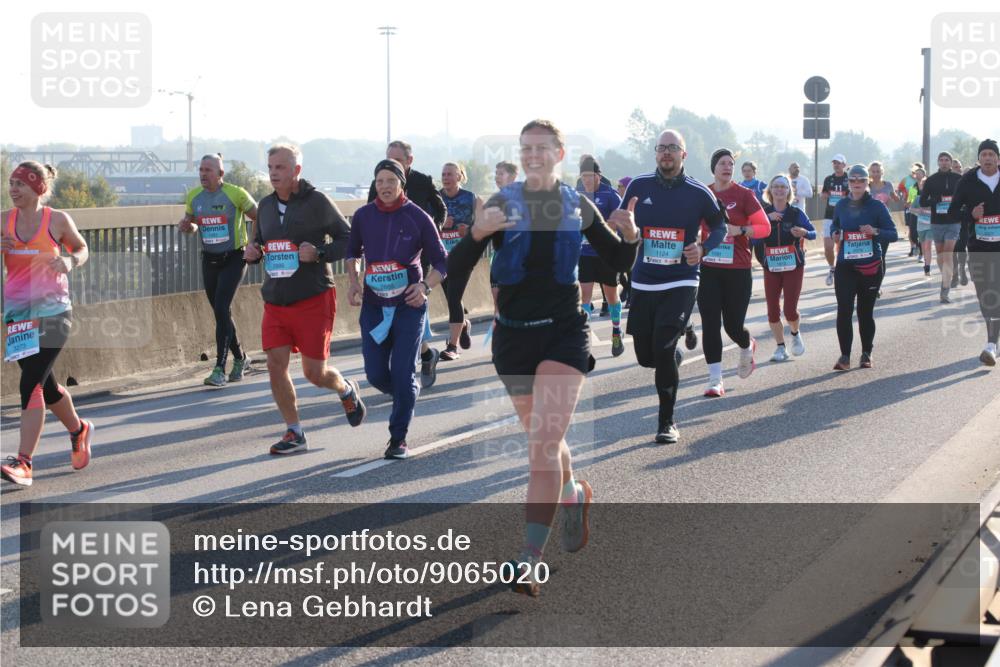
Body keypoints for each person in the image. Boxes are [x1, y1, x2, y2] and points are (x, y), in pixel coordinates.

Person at [447, 119, 639, 596]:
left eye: (542, 148)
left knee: (542, 446)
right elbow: (456, 273)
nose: (533, 155)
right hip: (512, 338)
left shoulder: (577, 204)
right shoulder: (500, 204)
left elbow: (616, 263)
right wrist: (474, 235)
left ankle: (530, 557)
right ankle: (572, 493)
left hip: (564, 335)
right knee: (543, 439)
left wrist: (631, 237)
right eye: (526, 148)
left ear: (559, 153)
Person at [243, 144, 366, 454]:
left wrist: (320, 253)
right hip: (275, 300)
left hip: (313, 298)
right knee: (275, 364)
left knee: (315, 373)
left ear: (296, 170)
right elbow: (258, 244)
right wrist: (252, 253)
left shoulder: (317, 202)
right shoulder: (266, 206)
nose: (273, 173)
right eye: (270, 167)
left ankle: (345, 388)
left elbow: (350, 240)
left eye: (280, 167)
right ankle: (294, 431)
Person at [623, 130, 727, 441]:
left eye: (673, 148)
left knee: (663, 349)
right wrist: (624, 229)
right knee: (646, 356)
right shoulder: (638, 186)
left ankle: (666, 423)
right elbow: (620, 221)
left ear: (684, 154)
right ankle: (675, 351)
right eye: (661, 148)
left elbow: (720, 225)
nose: (666, 153)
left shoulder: (698, 192)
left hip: (681, 280)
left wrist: (704, 249)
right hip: (643, 281)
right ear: (656, 153)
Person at [1, 162, 93, 487]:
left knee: (31, 384)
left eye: (20, 184)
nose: (13, 189)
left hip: (55, 313)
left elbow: (82, 249)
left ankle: (24, 461)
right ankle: (79, 430)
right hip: (18, 317)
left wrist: (70, 260)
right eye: (11, 183)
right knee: (47, 386)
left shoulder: (56, 220)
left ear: (38, 188)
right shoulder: (4, 222)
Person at [347, 160, 448, 458]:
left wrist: (424, 287)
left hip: (409, 305)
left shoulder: (418, 217)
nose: (385, 187)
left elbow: (442, 262)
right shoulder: (364, 216)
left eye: (391, 180)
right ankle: (406, 395)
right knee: (376, 375)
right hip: (375, 306)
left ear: (402, 184)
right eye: (380, 181)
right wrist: (353, 281)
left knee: (403, 372)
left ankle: (397, 439)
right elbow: (352, 252)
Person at [367, 141, 447, 387]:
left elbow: (440, 209)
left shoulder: (422, 181)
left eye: (397, 159)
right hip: (387, 260)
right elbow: (370, 213)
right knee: (397, 310)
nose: (391, 164)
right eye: (388, 158)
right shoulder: (378, 183)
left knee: (411, 305)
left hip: (415, 256)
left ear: (409, 161)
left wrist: (431, 233)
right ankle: (424, 354)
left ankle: (407, 367)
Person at [179, 154, 258, 387]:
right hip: (210, 259)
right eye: (201, 170)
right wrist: (188, 226)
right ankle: (241, 358)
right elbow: (192, 224)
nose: (203, 174)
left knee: (222, 308)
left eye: (208, 170)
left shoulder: (236, 193)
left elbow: (260, 216)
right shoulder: (194, 196)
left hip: (234, 257)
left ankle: (219, 369)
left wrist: (253, 244)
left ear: (220, 174)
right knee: (221, 312)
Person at [699, 148, 770, 397]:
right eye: (722, 163)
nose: (727, 167)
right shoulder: (703, 193)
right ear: (713, 167)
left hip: (738, 269)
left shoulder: (744, 195)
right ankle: (715, 380)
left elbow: (764, 228)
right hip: (708, 267)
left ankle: (746, 343)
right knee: (709, 323)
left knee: (732, 326)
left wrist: (740, 230)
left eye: (731, 163)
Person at [830, 164, 898, 370]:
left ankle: (866, 353)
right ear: (848, 183)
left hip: (870, 266)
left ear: (868, 182)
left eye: (861, 180)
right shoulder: (841, 205)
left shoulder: (877, 206)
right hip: (845, 265)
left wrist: (874, 231)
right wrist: (835, 232)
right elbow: (835, 224)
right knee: (843, 310)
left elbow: (893, 234)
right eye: (853, 180)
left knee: (864, 312)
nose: (857, 184)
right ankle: (844, 357)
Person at [948, 139, 1000, 366]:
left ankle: (991, 344)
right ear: (978, 158)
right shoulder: (967, 181)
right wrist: (971, 213)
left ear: (998, 158)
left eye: (991, 154)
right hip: (979, 248)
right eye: (984, 154)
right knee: (985, 294)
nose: (987, 158)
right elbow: (952, 212)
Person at [755, 174, 816, 362]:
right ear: (770, 190)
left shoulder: (796, 213)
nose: (779, 190)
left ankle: (795, 333)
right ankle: (780, 347)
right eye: (776, 186)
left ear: (789, 191)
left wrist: (804, 232)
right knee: (772, 310)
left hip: (793, 266)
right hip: (771, 266)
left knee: (790, 310)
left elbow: (813, 233)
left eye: (783, 187)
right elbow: (752, 236)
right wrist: (766, 220)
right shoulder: (762, 213)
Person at [577, 156, 625, 356]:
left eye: (590, 175)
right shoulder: (577, 195)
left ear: (598, 175)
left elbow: (621, 220)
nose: (587, 179)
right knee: (584, 297)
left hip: (606, 255)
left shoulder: (610, 195)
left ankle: (616, 330)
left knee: (612, 296)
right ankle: (585, 339)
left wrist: (601, 228)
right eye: (583, 176)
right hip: (585, 254)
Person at [438, 162, 481, 361]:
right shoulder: (436, 198)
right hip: (441, 257)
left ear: (459, 176)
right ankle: (463, 324)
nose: (446, 178)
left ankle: (452, 346)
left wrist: (469, 229)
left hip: (464, 255)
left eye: (450, 174)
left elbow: (483, 226)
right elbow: (425, 227)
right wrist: (440, 225)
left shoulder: (471, 198)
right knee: (451, 297)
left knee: (454, 298)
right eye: (443, 174)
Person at [920, 152, 963, 303]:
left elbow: (965, 197)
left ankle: (945, 289)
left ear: (951, 163)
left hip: (953, 221)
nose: (944, 163)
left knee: (948, 252)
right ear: (938, 163)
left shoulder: (958, 179)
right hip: (937, 222)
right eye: (941, 160)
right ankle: (947, 275)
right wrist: (935, 200)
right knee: (940, 254)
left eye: (947, 160)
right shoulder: (931, 180)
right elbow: (923, 202)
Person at [867, 161, 900, 285]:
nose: (876, 174)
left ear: (882, 172)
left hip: (884, 223)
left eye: (878, 171)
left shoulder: (888, 185)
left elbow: (895, 198)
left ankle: (878, 284)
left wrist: (896, 197)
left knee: (881, 256)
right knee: (870, 255)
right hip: (869, 223)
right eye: (873, 171)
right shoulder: (867, 186)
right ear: (870, 173)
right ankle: (869, 282)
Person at [821, 154, 850, 286]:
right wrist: (825, 195)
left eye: (838, 163)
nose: (836, 165)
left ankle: (843, 269)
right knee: (828, 247)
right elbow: (823, 194)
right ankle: (832, 267)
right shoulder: (828, 179)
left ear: (844, 165)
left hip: (845, 216)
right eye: (834, 163)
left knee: (842, 245)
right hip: (829, 216)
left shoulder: (849, 179)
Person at [898, 163, 923, 258]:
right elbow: (900, 190)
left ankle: (921, 251)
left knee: (922, 229)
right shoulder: (906, 180)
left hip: (924, 211)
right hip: (911, 209)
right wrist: (904, 198)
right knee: (912, 230)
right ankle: (913, 247)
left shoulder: (926, 182)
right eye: (915, 171)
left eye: (919, 171)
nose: (917, 173)